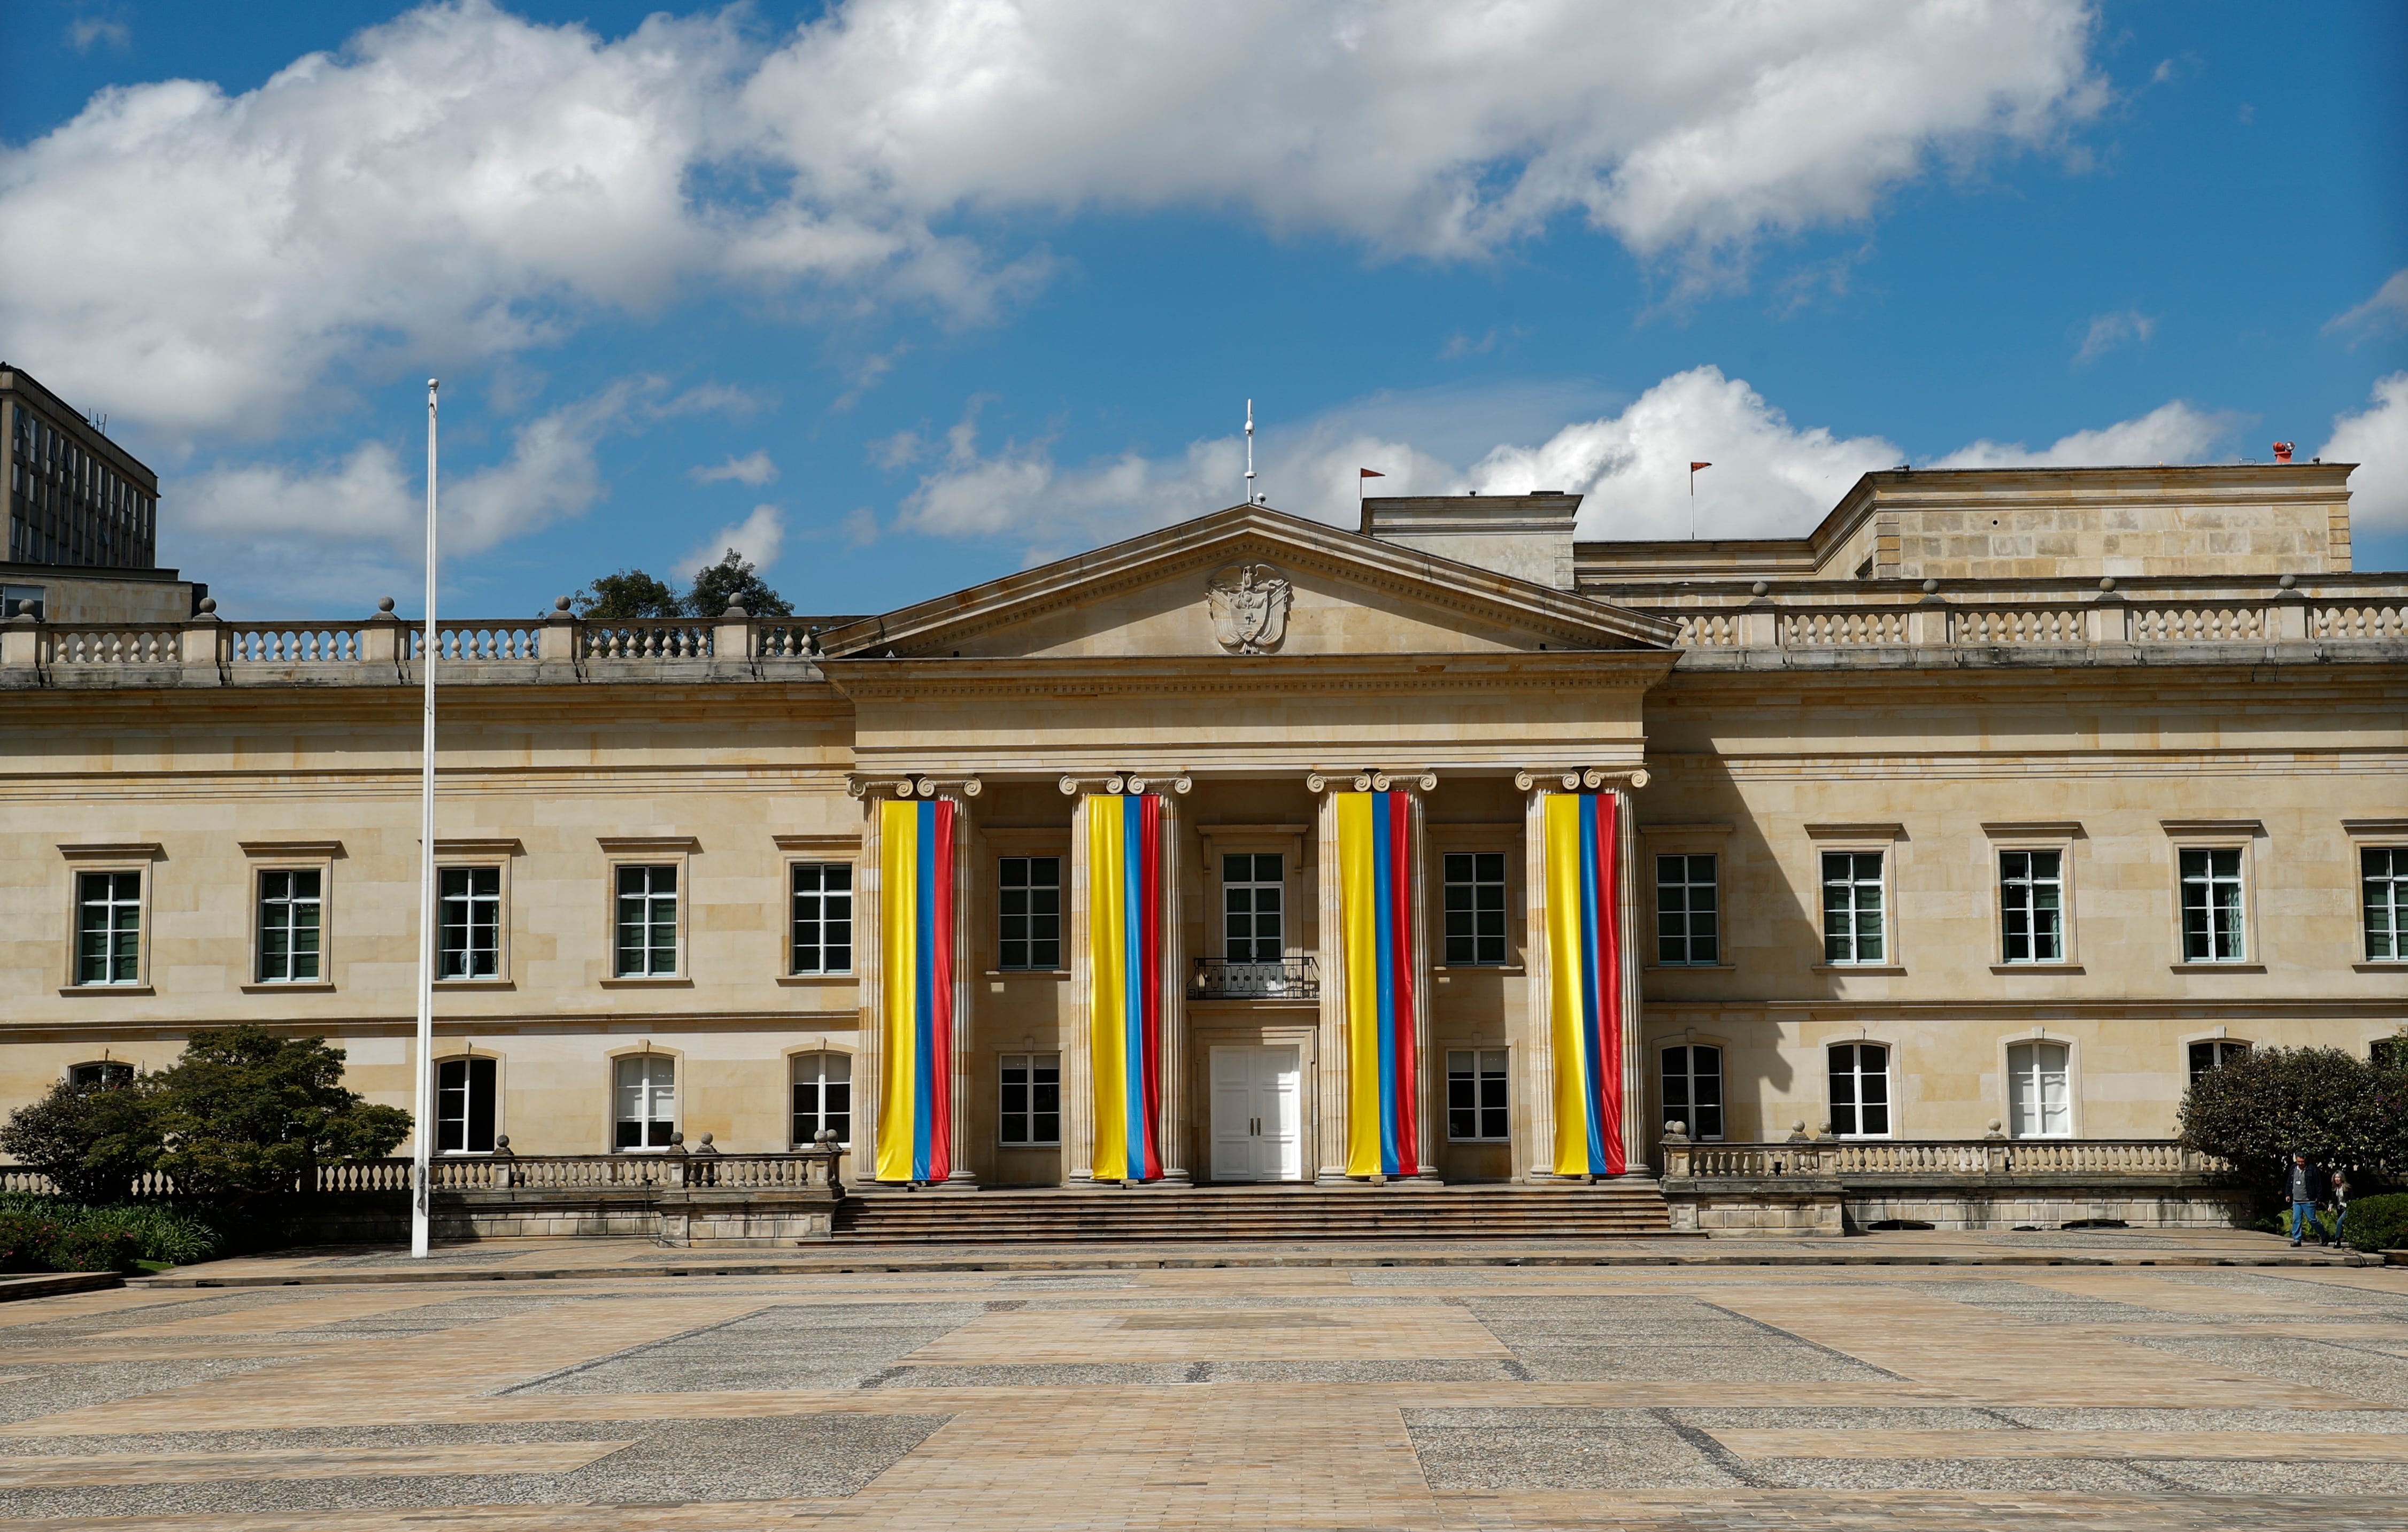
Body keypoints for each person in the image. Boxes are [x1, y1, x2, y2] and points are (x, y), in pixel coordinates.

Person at [2283, 1152, 2318, 1247]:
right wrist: (2288, 1194)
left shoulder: (2311, 1169)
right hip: (2296, 1200)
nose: (2300, 1164)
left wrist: (2319, 1197)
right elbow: (2289, 1182)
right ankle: (2297, 1239)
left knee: (2312, 1220)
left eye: (2302, 1162)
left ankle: (2324, 1235)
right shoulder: (2293, 1168)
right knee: (2296, 1219)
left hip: (2308, 1200)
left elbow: (2318, 1184)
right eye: (2298, 1162)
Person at [2329, 1168, 2351, 1248]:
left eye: (2338, 1177)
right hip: (2339, 1209)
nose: (2337, 1179)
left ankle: (2337, 1240)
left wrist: (2346, 1205)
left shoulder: (2347, 1188)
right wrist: (2331, 1205)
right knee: (2341, 1225)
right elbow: (2334, 1200)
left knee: (2339, 1222)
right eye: (2336, 1178)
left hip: (2347, 1208)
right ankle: (2340, 1239)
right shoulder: (2335, 1189)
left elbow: (2352, 1199)